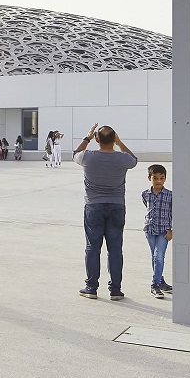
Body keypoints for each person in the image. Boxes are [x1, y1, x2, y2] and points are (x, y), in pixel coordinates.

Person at [73, 123, 138, 299]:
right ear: (114, 139)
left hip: (93, 206)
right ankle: (115, 290)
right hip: (117, 205)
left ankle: (91, 287)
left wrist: (87, 137)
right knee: (115, 249)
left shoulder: (88, 157)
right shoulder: (122, 159)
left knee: (92, 248)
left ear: (97, 139)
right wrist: (120, 143)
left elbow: (74, 154)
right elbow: (134, 159)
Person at [142, 164, 173, 297]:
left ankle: (154, 285)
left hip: (163, 231)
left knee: (158, 256)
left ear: (165, 179)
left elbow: (173, 213)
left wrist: (171, 230)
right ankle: (161, 281)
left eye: (161, 178)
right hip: (149, 229)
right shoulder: (145, 194)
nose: (158, 181)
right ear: (150, 178)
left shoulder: (170, 195)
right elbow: (147, 208)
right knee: (155, 257)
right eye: (155, 178)